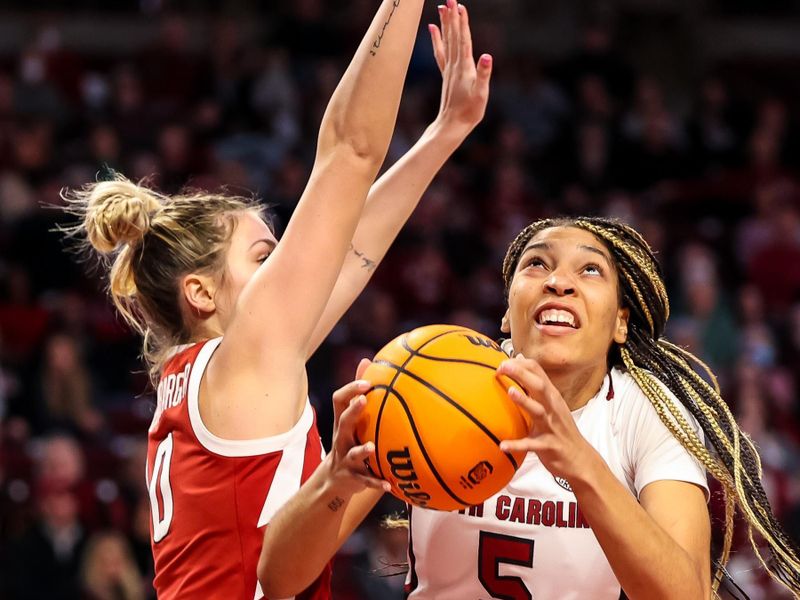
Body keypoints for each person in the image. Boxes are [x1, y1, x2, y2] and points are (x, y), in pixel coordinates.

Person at [62, 0, 493, 597]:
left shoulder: (212, 379)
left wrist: (443, 134)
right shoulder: (242, 363)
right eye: (265, 259)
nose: (288, 271)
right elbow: (349, 149)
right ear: (201, 292)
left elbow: (352, 255)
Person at [258, 217, 800, 599]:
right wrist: (334, 481)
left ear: (620, 323)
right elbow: (278, 580)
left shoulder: (650, 418)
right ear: (506, 311)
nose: (559, 281)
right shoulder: (431, 380)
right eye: (536, 264)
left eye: (590, 271)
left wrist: (582, 465)